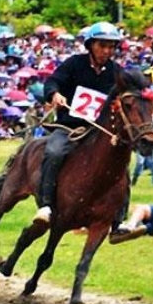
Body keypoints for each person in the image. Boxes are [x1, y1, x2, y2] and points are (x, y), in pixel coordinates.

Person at [33, 21, 123, 225]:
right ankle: (45, 205)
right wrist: (55, 94)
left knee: (120, 161)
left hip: (99, 131)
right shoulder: (74, 63)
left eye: (111, 46)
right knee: (54, 151)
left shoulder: (116, 71)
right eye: (102, 45)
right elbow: (53, 81)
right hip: (69, 126)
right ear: (91, 45)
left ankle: (119, 221)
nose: (107, 51)